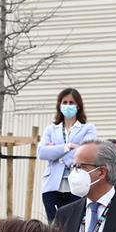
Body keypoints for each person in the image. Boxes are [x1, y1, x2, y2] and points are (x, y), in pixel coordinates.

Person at [38, 88, 97, 221]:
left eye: (72, 102)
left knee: (72, 225)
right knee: (54, 225)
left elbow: (88, 152)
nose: (68, 106)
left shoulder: (88, 128)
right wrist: (68, 147)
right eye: (65, 102)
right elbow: (42, 152)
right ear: (59, 105)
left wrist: (56, 151)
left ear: (78, 105)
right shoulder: (51, 129)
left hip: (76, 184)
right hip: (52, 186)